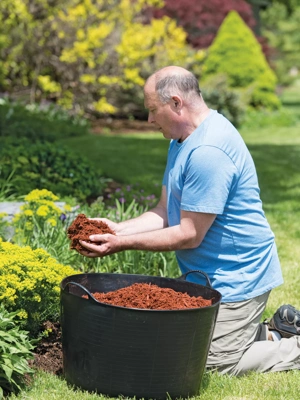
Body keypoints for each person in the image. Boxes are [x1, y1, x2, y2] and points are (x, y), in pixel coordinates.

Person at [78, 66, 300, 375]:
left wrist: (121, 244)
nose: (149, 120)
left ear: (176, 102)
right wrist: (116, 229)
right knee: (178, 344)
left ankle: (291, 347)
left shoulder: (209, 151)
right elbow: (164, 211)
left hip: (239, 278)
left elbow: (189, 234)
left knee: (207, 364)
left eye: (153, 110)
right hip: (208, 278)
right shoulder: (181, 140)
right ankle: (271, 331)